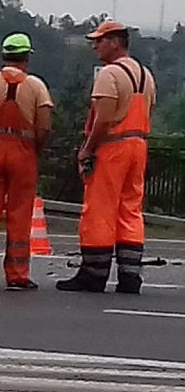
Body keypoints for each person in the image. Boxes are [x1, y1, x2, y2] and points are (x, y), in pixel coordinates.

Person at [57, 21, 156, 294]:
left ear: (115, 42)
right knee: (130, 209)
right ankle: (129, 275)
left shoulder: (109, 75)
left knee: (100, 210)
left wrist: (88, 148)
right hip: (138, 145)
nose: (95, 45)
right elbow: (149, 111)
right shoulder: (144, 74)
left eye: (99, 40)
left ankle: (93, 274)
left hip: (112, 147)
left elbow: (103, 118)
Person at [0, 32, 54, 291]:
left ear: (4, 56)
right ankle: (17, 275)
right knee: (19, 214)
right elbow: (45, 127)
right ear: (26, 58)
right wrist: (33, 149)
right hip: (23, 155)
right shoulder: (37, 86)